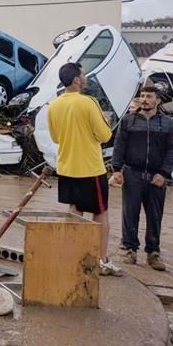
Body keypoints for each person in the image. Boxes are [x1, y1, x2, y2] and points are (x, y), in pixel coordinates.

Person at [47, 62, 122, 276]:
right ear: (77, 80)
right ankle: (101, 260)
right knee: (100, 213)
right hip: (90, 168)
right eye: (83, 74)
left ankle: (74, 256)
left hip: (66, 167)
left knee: (75, 211)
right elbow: (105, 136)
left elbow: (54, 137)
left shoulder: (54, 105)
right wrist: (105, 122)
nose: (85, 78)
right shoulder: (89, 102)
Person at [111, 85, 173, 271]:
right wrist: (116, 169)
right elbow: (119, 145)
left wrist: (164, 173)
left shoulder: (168, 124)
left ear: (158, 100)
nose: (145, 99)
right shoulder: (128, 121)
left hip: (156, 176)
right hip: (132, 173)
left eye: (149, 96)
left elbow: (172, 149)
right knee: (129, 213)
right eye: (142, 96)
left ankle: (153, 253)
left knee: (155, 215)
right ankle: (130, 249)